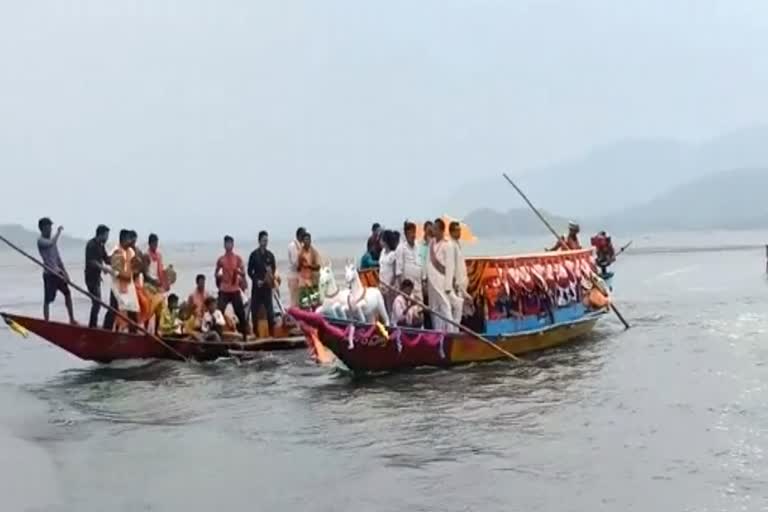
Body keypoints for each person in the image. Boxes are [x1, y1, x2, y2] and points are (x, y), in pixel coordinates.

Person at [37, 218, 76, 324]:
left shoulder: (52, 241)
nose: (50, 230)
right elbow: (50, 243)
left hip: (58, 273)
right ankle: (46, 322)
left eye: (51, 227)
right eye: (48, 228)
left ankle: (72, 319)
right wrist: (58, 232)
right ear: (42, 229)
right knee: (48, 300)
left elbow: (58, 259)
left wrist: (66, 274)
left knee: (67, 293)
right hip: (49, 274)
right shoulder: (41, 241)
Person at [104, 229, 140, 332]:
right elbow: (114, 271)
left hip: (129, 286)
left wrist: (137, 266)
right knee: (113, 310)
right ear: (123, 239)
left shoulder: (131, 251)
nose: (131, 241)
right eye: (129, 239)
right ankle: (105, 332)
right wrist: (123, 276)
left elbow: (134, 266)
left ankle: (133, 334)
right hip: (117, 286)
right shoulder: (116, 251)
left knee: (133, 310)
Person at [215, 235, 248, 340]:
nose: (228, 245)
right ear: (224, 245)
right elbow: (216, 273)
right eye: (226, 243)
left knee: (241, 313)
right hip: (224, 290)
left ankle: (245, 336)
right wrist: (219, 279)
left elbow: (243, 273)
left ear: (233, 245)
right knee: (218, 313)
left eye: (230, 243)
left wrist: (238, 273)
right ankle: (217, 336)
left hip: (234, 289)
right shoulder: (221, 259)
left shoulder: (237, 258)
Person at [425, 218, 454, 332]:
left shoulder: (447, 245)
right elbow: (427, 261)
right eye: (434, 229)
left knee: (445, 306)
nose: (434, 231)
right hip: (431, 281)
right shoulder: (432, 243)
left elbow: (449, 266)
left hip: (441, 280)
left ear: (442, 230)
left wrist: (448, 283)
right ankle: (438, 331)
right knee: (434, 308)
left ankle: (451, 331)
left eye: (436, 229)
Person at [248, 230, 277, 337]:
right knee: (254, 310)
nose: (266, 242)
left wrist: (270, 277)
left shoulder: (270, 255)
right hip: (257, 287)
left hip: (266, 287)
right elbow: (249, 271)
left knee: (270, 311)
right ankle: (255, 333)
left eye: (267, 240)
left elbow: (273, 269)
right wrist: (256, 280)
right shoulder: (254, 255)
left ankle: (272, 334)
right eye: (264, 240)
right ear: (259, 241)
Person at [84, 224, 112, 328]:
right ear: (101, 235)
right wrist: (103, 268)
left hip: (97, 279)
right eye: (106, 236)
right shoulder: (91, 245)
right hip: (90, 278)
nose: (107, 238)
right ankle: (92, 326)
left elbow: (107, 260)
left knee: (97, 303)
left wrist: (117, 259)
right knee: (97, 303)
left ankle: (93, 325)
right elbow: (92, 262)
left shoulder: (101, 245)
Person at [447, 221, 471, 326]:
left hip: (462, 283)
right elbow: (451, 266)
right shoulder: (451, 245)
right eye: (457, 230)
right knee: (456, 312)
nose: (459, 232)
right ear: (451, 232)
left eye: (460, 230)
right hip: (457, 285)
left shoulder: (457, 244)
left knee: (461, 313)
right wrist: (454, 283)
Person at [395, 221, 424, 302]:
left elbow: (420, 262)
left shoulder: (418, 246)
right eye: (410, 232)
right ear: (406, 234)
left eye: (414, 232)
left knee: (420, 306)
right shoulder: (401, 248)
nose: (412, 235)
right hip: (407, 286)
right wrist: (401, 288)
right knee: (409, 308)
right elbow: (398, 271)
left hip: (418, 284)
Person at [297, 232, 321, 310]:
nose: (307, 241)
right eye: (305, 240)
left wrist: (309, 266)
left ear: (310, 240)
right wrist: (301, 263)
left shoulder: (314, 252)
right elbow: (298, 268)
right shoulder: (300, 253)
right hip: (303, 281)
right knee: (303, 304)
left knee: (314, 303)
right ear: (303, 241)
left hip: (312, 280)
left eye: (308, 239)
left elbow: (318, 267)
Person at [378, 230, 399, 311]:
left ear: (386, 241)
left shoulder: (393, 254)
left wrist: (390, 286)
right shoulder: (382, 252)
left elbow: (394, 273)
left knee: (390, 307)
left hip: (389, 286)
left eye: (381, 240)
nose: (380, 242)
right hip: (381, 283)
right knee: (383, 306)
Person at [287, 227, 306, 307]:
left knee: (300, 300)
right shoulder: (292, 246)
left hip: (300, 276)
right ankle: (293, 317)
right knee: (294, 300)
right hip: (294, 277)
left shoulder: (302, 245)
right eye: (303, 235)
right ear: (299, 235)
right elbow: (295, 263)